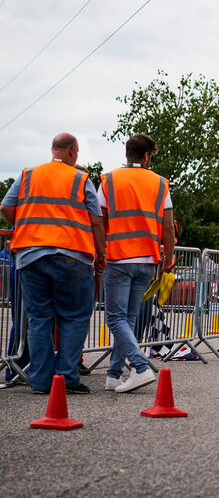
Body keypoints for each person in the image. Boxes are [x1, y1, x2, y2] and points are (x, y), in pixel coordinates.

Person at [0, 133, 106, 394]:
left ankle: (39, 380)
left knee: (39, 319)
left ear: (52, 150)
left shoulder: (27, 175)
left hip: (30, 256)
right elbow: (95, 221)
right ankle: (67, 378)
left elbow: (5, 207)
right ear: (72, 151)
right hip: (72, 256)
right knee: (74, 317)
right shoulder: (80, 179)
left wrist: (24, 224)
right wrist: (101, 253)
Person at [98, 134, 176, 393]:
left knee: (116, 318)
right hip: (147, 259)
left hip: (118, 256)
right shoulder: (160, 183)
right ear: (146, 156)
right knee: (128, 319)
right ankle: (113, 374)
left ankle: (140, 368)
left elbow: (100, 220)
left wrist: (99, 252)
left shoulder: (108, 180)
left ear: (127, 153)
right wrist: (169, 257)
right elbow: (168, 227)